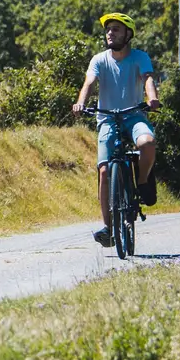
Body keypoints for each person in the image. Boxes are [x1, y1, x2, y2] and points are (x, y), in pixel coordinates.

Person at [72, 13, 160, 247]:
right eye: (108, 29)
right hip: (107, 119)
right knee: (104, 171)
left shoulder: (140, 57)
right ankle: (109, 229)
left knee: (147, 143)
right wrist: (81, 102)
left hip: (133, 115)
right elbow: (89, 82)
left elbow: (148, 79)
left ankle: (141, 181)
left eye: (116, 30)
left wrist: (152, 98)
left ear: (128, 35)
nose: (110, 33)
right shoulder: (99, 59)